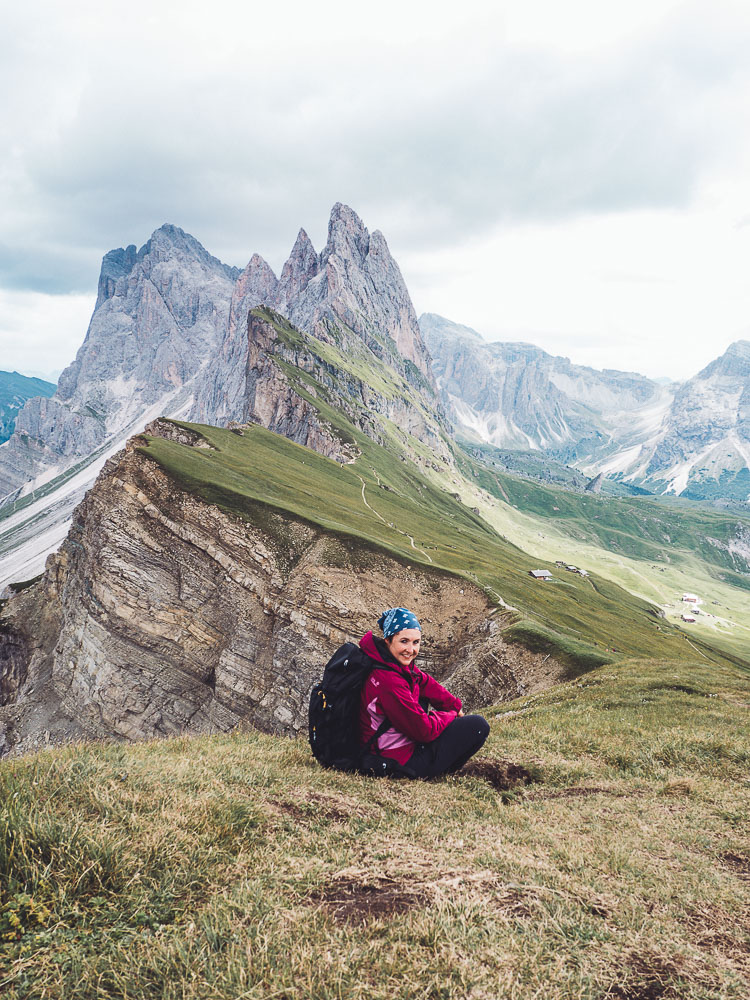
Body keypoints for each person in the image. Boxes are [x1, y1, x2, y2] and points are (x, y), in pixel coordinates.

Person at [358, 607, 490, 778]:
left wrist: (453, 704)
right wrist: (450, 714)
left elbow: (423, 681)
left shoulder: (388, 663)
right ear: (388, 640)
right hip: (394, 762)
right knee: (478, 726)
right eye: (404, 641)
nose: (411, 650)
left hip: (387, 750)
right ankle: (437, 773)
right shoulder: (389, 680)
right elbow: (424, 731)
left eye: (416, 642)